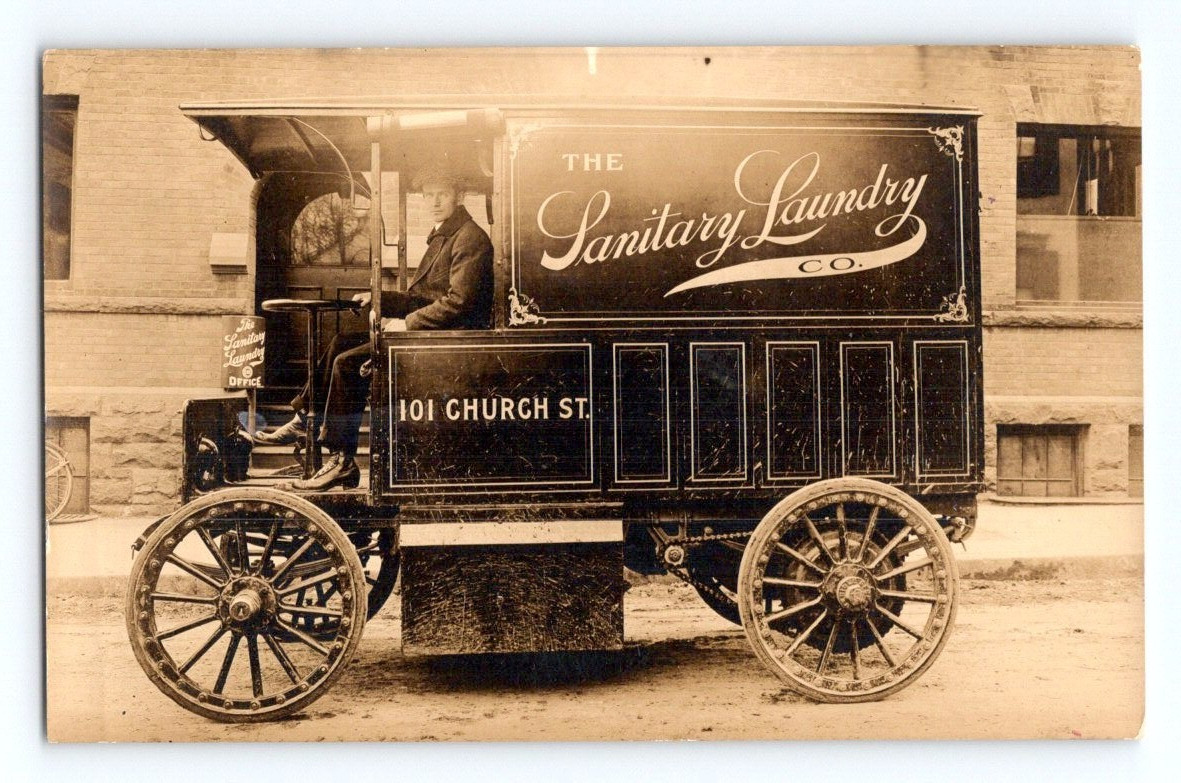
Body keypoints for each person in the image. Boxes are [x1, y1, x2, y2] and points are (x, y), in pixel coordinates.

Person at [255, 165, 494, 490]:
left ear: (458, 196)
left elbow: (458, 302)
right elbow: (421, 297)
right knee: (340, 341)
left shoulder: (469, 238)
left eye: (442, 194)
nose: (435, 201)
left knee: (347, 363)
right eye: (429, 195)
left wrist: (405, 324)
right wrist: (377, 298)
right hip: (432, 333)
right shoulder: (446, 235)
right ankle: (305, 418)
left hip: (447, 340)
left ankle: (342, 460)